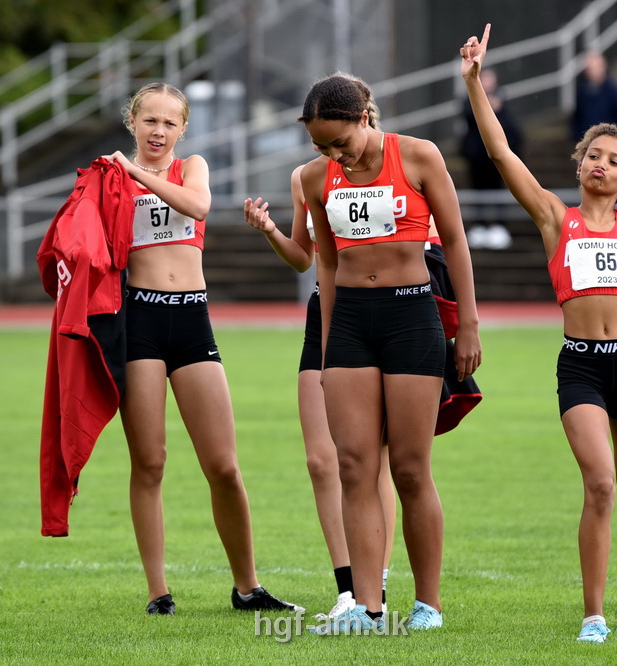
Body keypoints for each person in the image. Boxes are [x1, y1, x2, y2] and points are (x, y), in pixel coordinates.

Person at [461, 25, 617, 643]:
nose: (600, 166)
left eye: (615, 162)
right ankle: (593, 614)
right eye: (594, 156)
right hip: (581, 365)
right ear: (581, 162)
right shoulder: (554, 219)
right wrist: (475, 83)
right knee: (599, 483)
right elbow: (502, 155)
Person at [101, 82, 301, 616]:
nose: (159, 131)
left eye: (169, 123)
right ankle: (157, 591)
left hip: (191, 319)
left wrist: (134, 173)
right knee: (150, 462)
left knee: (225, 466)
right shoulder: (109, 180)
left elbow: (200, 204)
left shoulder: (192, 167)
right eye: (149, 121)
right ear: (132, 123)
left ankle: (247, 587)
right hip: (139, 321)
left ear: (183, 129)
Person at [297, 73, 482, 633]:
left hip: (411, 317)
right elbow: (325, 264)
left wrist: (468, 325)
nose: (334, 154)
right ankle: (368, 608)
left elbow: (454, 241)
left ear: (364, 118)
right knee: (354, 466)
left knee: (408, 468)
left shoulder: (419, 156)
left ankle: (428, 605)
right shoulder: (314, 178)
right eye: (321, 147)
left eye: (340, 142)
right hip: (352, 322)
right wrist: (329, 348)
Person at [243, 162, 397, 621]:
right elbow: (303, 257)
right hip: (326, 314)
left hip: (384, 311)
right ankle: (348, 591)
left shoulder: (397, 164)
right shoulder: (306, 177)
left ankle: (376, 587)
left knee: (375, 459)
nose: (325, 145)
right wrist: (270, 229)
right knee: (320, 460)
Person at [460, 67, 523, 191]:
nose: (487, 82)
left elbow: (509, 124)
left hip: (496, 150)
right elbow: (468, 116)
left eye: (490, 78)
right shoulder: (469, 98)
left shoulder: (501, 98)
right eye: (485, 78)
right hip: (477, 151)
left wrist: (497, 111)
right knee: (478, 183)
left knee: (496, 183)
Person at [571, 50, 617, 143]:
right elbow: (577, 116)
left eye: (594, 68)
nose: (591, 72)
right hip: (587, 141)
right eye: (589, 69)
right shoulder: (582, 90)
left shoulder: (613, 90)